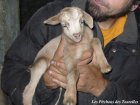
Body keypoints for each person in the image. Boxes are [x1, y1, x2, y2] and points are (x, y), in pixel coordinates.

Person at [1, 0, 140, 105]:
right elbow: (10, 73)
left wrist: (101, 87)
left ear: (134, 5)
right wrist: (44, 86)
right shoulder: (53, 13)